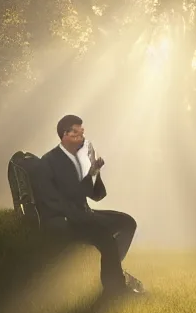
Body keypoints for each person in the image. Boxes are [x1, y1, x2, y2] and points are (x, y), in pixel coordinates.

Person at [33, 114, 143, 297]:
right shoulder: (49, 161)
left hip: (84, 214)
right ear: (65, 135)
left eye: (81, 133)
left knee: (127, 222)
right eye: (76, 133)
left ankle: (113, 268)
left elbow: (97, 195)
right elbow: (52, 201)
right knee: (105, 236)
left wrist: (94, 172)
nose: (81, 138)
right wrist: (81, 217)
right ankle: (114, 288)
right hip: (65, 220)